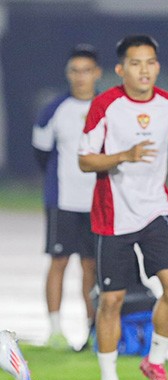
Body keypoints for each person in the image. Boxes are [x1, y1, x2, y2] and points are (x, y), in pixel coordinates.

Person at [78, 35, 168, 380]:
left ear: (157, 66)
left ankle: (155, 361)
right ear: (120, 69)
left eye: (150, 62)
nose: (144, 70)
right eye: (135, 63)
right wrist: (123, 156)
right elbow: (85, 160)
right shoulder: (105, 105)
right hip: (113, 216)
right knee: (111, 301)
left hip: (156, 210)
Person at [32, 44, 102, 351]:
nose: (80, 76)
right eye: (74, 71)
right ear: (67, 73)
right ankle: (55, 330)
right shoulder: (53, 110)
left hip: (96, 201)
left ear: (96, 73)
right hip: (63, 200)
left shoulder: (108, 106)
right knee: (59, 261)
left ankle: (92, 328)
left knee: (91, 265)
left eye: (86, 71)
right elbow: (41, 153)